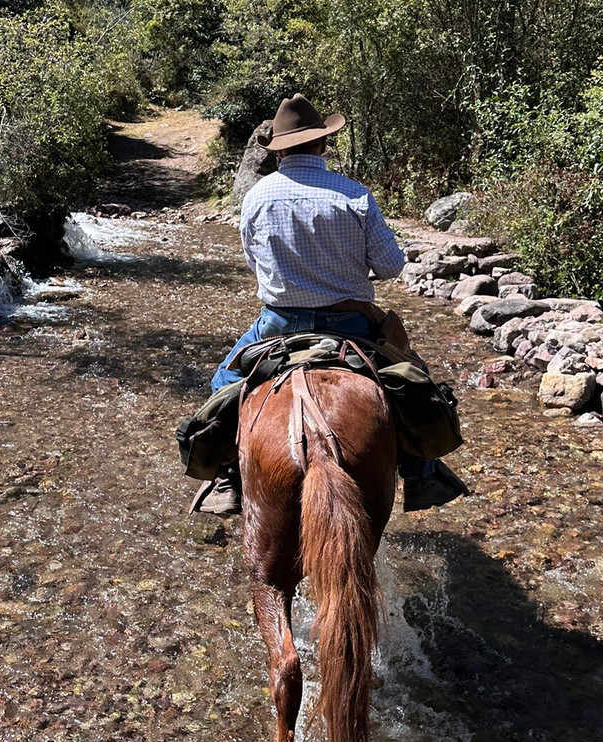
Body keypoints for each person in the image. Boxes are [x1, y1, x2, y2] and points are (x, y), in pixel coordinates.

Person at [193, 93, 468, 515]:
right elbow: (391, 266)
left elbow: (254, 262)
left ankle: (227, 478)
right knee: (415, 381)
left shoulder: (256, 197)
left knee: (223, 383)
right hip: (351, 325)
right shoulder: (354, 195)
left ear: (279, 150)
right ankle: (421, 475)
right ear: (323, 144)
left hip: (278, 325)